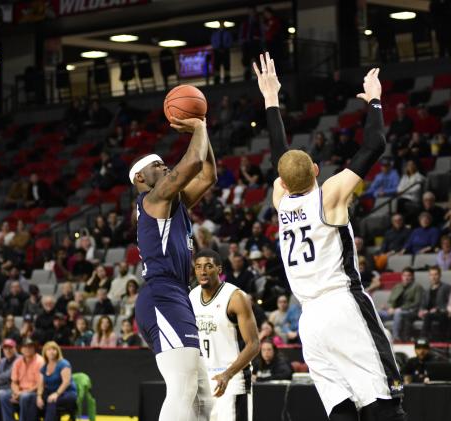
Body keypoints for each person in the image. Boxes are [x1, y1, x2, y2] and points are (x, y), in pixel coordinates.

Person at [255, 53, 404, 420]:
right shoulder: (330, 193)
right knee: (383, 399)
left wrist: (270, 99)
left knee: (340, 406)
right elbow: (376, 144)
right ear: (318, 171)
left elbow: (280, 156)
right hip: (342, 306)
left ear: (283, 182)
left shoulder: (280, 201)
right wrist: (374, 99)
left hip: (308, 319)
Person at [130, 106, 217, 421]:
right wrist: (197, 129)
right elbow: (192, 162)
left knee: (203, 399)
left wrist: (202, 129)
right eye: (157, 165)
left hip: (176, 295)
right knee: (182, 388)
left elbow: (207, 173)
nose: (165, 166)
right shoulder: (153, 200)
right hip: (162, 295)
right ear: (141, 178)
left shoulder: (173, 202)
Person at [190, 249, 260, 421]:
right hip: (203, 379)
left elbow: (254, 344)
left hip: (232, 380)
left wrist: (228, 374)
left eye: (208, 266)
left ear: (219, 270)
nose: (203, 271)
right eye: (198, 267)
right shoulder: (192, 296)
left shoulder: (235, 297)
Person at [0, 339, 44, 421]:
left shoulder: (40, 361)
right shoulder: (18, 362)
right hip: (20, 391)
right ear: (21, 349)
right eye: (25, 347)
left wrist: (21, 393)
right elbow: (14, 382)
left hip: (35, 392)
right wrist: (17, 392)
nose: (27, 349)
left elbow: (40, 384)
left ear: (34, 348)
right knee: (4, 396)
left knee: (24, 396)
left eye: (30, 347)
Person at [36, 341, 77, 421]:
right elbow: (40, 385)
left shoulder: (63, 364)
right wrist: (39, 396)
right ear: (45, 352)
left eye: (54, 349)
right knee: (33, 400)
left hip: (66, 393)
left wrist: (57, 394)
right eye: (49, 350)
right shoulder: (44, 367)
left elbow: (66, 382)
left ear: (57, 351)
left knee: (52, 401)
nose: (51, 351)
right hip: (51, 393)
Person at [380, 267, 424, 341]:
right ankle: (379, 338)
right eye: (404, 275)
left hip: (409, 311)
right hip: (394, 311)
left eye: (408, 275)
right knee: (378, 314)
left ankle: (395, 338)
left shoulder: (417, 287)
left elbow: (417, 303)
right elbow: (390, 301)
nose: (406, 278)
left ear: (412, 277)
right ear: (402, 276)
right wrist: (390, 308)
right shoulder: (397, 286)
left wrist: (399, 309)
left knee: (398, 312)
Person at [418, 266, 451, 341]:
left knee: (428, 316)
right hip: (429, 314)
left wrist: (437, 309)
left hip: (441, 313)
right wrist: (421, 310)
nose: (433, 277)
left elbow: (450, 303)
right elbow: (423, 304)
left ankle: (423, 338)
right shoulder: (427, 290)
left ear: (440, 275)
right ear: (429, 276)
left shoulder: (446, 287)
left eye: (435, 274)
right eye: (431, 275)